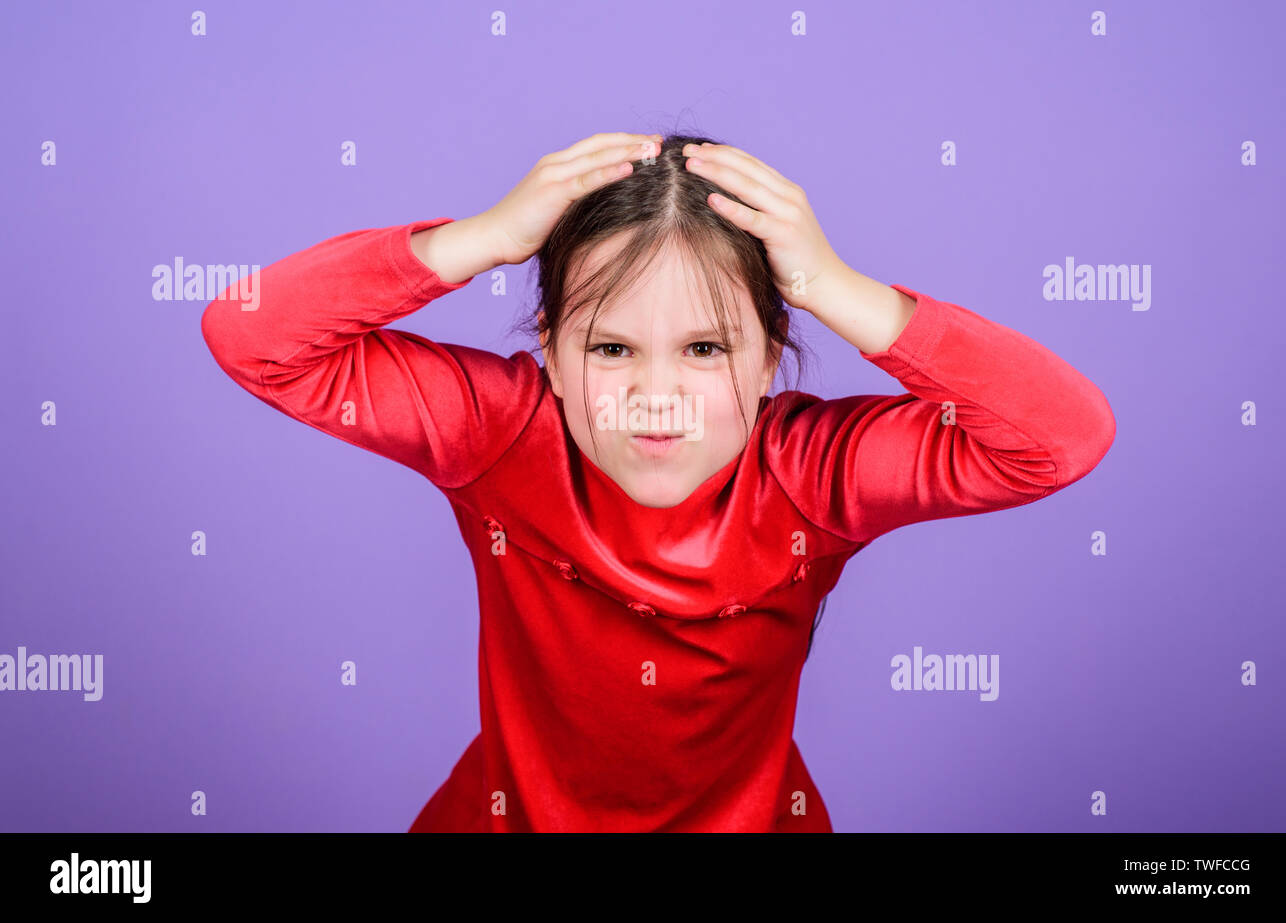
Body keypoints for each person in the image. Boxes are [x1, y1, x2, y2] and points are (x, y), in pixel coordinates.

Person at [200, 131, 1117, 832]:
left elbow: (1061, 437)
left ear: (770, 364)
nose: (655, 398)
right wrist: (481, 238)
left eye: (706, 349)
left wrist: (836, 285)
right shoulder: (503, 431)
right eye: (610, 348)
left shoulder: (812, 474)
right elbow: (252, 335)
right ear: (551, 356)